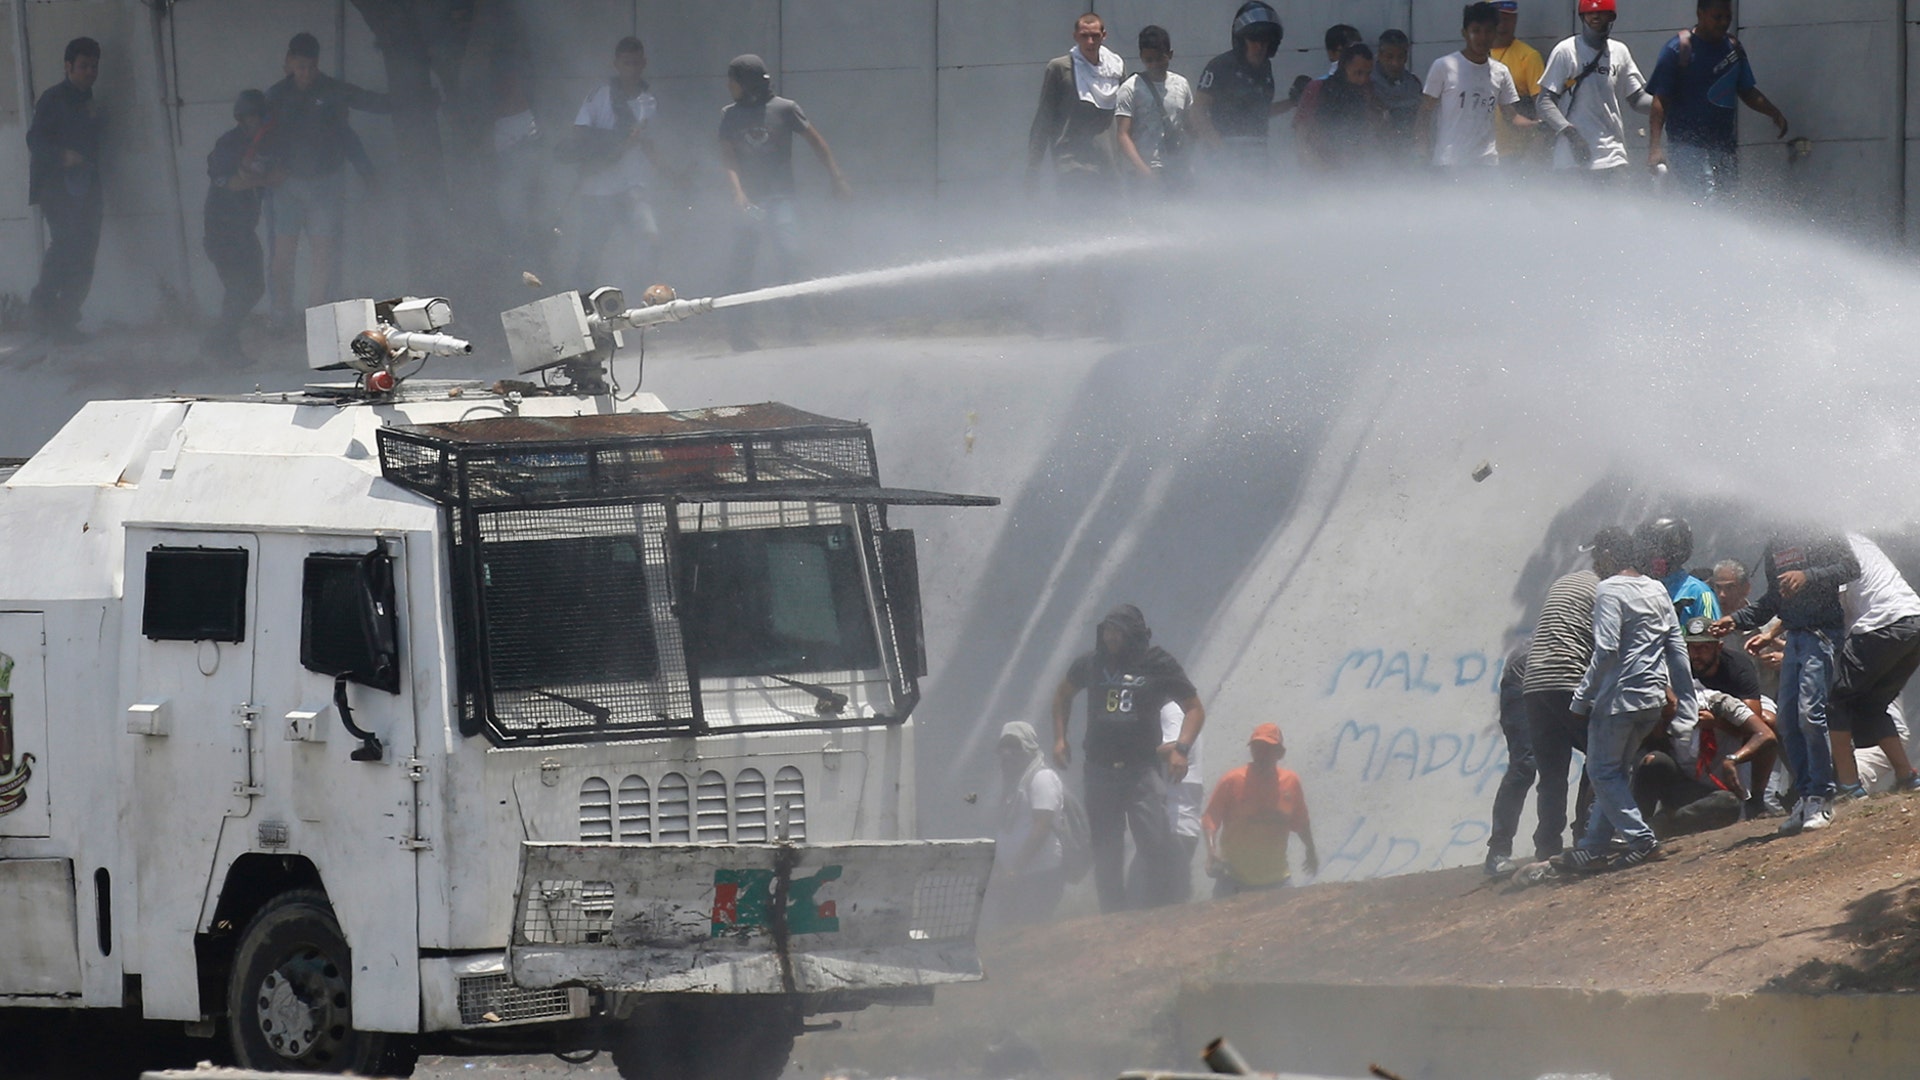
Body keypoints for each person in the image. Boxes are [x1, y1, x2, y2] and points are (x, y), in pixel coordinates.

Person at [1554, 527, 1696, 873]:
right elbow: (1676, 650)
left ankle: (1642, 841)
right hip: (1650, 701)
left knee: (1601, 771)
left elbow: (1605, 651)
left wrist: (1580, 698)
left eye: (1598, 556)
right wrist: (1687, 703)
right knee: (1615, 771)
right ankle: (1594, 846)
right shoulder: (1657, 588)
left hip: (1617, 700)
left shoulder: (1609, 589)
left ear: (1610, 557)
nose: (1595, 563)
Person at [1052, 604, 1204, 913]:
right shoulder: (1092, 664)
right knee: (1106, 848)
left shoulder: (1156, 663)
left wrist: (1182, 749)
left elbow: (1195, 708)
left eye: (1117, 631)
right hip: (1099, 771)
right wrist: (1059, 738)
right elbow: (1063, 694)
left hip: (1140, 771)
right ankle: (1112, 915)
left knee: (1154, 839)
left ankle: (1166, 907)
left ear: (1132, 633)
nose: (1110, 637)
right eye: (1106, 630)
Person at [1712, 529, 1860, 834]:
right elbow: (1772, 602)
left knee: (1809, 713)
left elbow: (1851, 568)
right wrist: (1736, 619)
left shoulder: (1819, 527)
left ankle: (1822, 795)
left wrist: (1808, 575)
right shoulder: (1775, 543)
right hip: (1794, 638)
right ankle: (1806, 797)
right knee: (1788, 721)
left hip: (1821, 634)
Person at [717, 54, 849, 350]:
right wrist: (738, 193)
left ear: (747, 83)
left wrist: (836, 178)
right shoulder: (729, 115)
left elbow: (817, 142)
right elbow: (728, 159)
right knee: (742, 264)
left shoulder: (785, 109)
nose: (728, 86)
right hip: (750, 200)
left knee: (791, 256)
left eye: (733, 80)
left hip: (781, 199)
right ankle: (739, 333)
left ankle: (799, 327)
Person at [263, 32, 390, 325]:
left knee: (322, 254)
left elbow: (359, 118)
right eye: (300, 67)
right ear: (289, 64)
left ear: (316, 65)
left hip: (325, 183)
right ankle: (281, 314)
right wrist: (268, 171)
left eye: (310, 68)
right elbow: (258, 138)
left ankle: (315, 318)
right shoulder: (275, 96)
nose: (305, 74)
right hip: (287, 185)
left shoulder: (331, 91)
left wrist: (367, 172)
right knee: (283, 256)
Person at [1523, 532, 1616, 859]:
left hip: (1535, 683)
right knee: (1602, 756)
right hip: (1569, 679)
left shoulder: (1565, 582)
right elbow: (1607, 646)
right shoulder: (1607, 589)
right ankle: (1587, 835)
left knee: (1551, 773)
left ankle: (1546, 847)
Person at [1647, 0, 1789, 199]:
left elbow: (1747, 90)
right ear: (1700, 14)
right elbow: (1660, 100)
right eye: (1717, 17)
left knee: (1726, 198)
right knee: (1706, 196)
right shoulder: (1677, 49)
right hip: (1686, 144)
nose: (1723, 23)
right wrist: (1655, 147)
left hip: (1723, 144)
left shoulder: (1733, 49)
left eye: (1727, 18)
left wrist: (1773, 112)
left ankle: (1700, 229)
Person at [569, 37, 673, 286]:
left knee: (649, 241)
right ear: (616, 64)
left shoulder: (648, 101)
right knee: (590, 254)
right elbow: (580, 132)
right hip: (599, 188)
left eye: (636, 63)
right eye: (627, 63)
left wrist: (671, 175)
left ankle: (644, 305)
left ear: (643, 64)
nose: (632, 69)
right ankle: (582, 309)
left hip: (632, 188)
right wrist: (614, 144)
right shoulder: (600, 94)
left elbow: (649, 144)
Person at [1828, 533, 1920, 797]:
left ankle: (1847, 786)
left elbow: (1840, 606)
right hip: (1913, 623)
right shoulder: (1858, 539)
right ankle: (1907, 776)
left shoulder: (1832, 543)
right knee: (1872, 705)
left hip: (1881, 624)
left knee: (1836, 701)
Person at [26, 37, 105, 343]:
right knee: (65, 247)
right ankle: (42, 312)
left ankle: (64, 321)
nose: (90, 72)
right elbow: (34, 140)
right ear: (68, 67)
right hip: (56, 187)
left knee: (85, 254)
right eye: (84, 66)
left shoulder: (88, 100)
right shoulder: (53, 99)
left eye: (94, 67)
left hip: (86, 188)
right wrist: (63, 156)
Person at [1536, 0, 1651, 181]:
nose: (1596, 16)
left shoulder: (1620, 51)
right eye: (1590, 14)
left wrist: (1666, 104)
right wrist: (1570, 133)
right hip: (1572, 159)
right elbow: (1544, 101)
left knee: (1618, 208)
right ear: (1582, 17)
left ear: (1611, 17)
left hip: (1613, 156)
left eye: (1602, 13)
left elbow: (1637, 99)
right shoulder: (1566, 51)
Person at [1634, 689, 1772, 838]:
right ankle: (1635, 827)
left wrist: (1731, 757)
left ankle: (1661, 826)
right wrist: (1656, 731)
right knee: (1654, 761)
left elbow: (1766, 735)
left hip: (1719, 792)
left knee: (1727, 802)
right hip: (1685, 788)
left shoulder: (1714, 702)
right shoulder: (1655, 717)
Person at [202, 90, 278, 355]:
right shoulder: (229, 144)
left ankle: (222, 340)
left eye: (259, 117)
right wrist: (262, 180)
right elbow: (228, 182)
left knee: (253, 287)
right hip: (221, 228)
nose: (255, 122)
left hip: (244, 229)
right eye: (250, 117)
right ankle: (221, 344)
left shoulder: (269, 143)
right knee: (240, 287)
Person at [1202, 723, 1317, 896]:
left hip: (1277, 880)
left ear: (1280, 753)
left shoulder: (1290, 782)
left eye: (1267, 748)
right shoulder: (1232, 780)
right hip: (1233, 880)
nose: (1261, 754)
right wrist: (1211, 852)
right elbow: (1211, 817)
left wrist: (1310, 851)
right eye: (1257, 748)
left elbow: (1301, 822)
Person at [1418, 3, 1529, 170]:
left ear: (1495, 33)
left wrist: (1536, 125)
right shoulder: (1444, 66)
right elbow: (1425, 111)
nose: (1482, 37)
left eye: (1488, 31)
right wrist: (1422, 148)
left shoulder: (1501, 72)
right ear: (1464, 33)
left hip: (1487, 164)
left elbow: (1511, 116)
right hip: (1450, 163)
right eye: (1476, 31)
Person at [1027, 13, 1123, 195]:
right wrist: (1033, 167)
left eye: (1095, 36)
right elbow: (1044, 117)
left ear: (1104, 35)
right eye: (1084, 36)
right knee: (1075, 216)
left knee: (1111, 220)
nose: (1090, 42)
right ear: (1075, 37)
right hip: (1071, 162)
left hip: (1108, 163)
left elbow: (1125, 116)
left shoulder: (1115, 69)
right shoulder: (1059, 68)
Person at [987, 721, 1067, 926]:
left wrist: (1015, 868)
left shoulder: (1041, 778)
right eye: (1004, 748)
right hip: (1014, 877)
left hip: (1039, 875)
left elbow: (1042, 826)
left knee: (1032, 932)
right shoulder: (1012, 784)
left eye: (1014, 747)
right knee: (1010, 933)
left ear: (1028, 748)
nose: (1008, 754)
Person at [1193, 2, 1286, 174]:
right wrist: (1220, 149)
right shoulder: (1220, 66)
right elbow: (1197, 112)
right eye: (1254, 40)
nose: (1260, 46)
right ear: (1241, 40)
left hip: (1258, 155)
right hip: (1224, 157)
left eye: (1266, 41)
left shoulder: (1266, 68)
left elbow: (1260, 111)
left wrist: (1293, 101)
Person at [1115, 25, 1194, 192]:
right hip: (1143, 171)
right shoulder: (1130, 88)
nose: (1154, 64)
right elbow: (1123, 134)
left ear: (1170, 54)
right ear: (1141, 57)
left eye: (1160, 58)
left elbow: (1190, 127)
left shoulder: (1181, 84)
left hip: (1176, 169)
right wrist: (1143, 171)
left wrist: (1192, 162)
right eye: (1149, 60)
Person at [1485, 643, 1536, 876]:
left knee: (1600, 754)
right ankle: (1498, 852)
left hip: (1561, 683)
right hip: (1522, 683)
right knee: (1524, 765)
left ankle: (1585, 839)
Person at [1294, 43, 1382, 171]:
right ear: (1344, 67)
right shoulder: (1317, 88)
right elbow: (1301, 131)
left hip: (1355, 168)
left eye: (1367, 74)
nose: (1363, 79)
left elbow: (1370, 129)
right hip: (1319, 167)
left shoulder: (1367, 91)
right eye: (1358, 73)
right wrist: (1312, 162)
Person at [1489, 1, 1545, 162]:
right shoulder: (1475, 55)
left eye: (1509, 19)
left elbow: (1543, 107)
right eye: (1498, 19)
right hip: (1478, 154)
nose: (1503, 25)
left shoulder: (1528, 56)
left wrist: (1537, 148)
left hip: (1515, 154)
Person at [1639, 517, 1718, 623]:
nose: (1655, 559)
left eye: (1662, 553)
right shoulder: (1637, 591)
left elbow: (1710, 636)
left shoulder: (1698, 594)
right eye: (1651, 553)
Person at [1371, 30, 1424, 158]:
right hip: (1378, 153)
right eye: (1389, 57)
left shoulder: (1413, 83)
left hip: (1410, 150)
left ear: (1406, 57)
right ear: (1380, 55)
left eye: (1400, 57)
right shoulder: (1368, 84)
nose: (1395, 63)